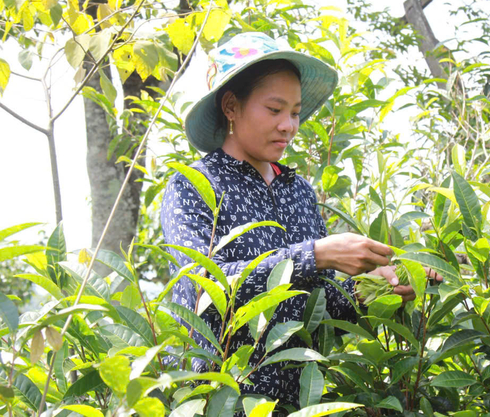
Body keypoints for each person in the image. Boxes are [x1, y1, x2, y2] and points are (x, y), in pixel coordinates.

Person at [160, 32, 440, 409]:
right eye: (274, 110)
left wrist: (372, 291)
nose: (289, 126)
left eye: (294, 112)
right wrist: (315, 254)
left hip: (299, 402)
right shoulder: (193, 185)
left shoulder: (299, 192)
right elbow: (201, 289)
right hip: (223, 400)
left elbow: (312, 309)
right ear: (231, 106)